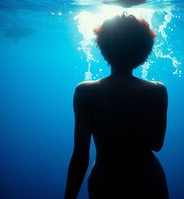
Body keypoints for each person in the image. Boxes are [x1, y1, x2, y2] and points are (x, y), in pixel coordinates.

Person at [64, 13, 168, 199]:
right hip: (149, 180)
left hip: (105, 181)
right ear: (144, 49)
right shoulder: (157, 91)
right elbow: (156, 144)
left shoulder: (85, 92)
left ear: (103, 46)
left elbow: (80, 157)